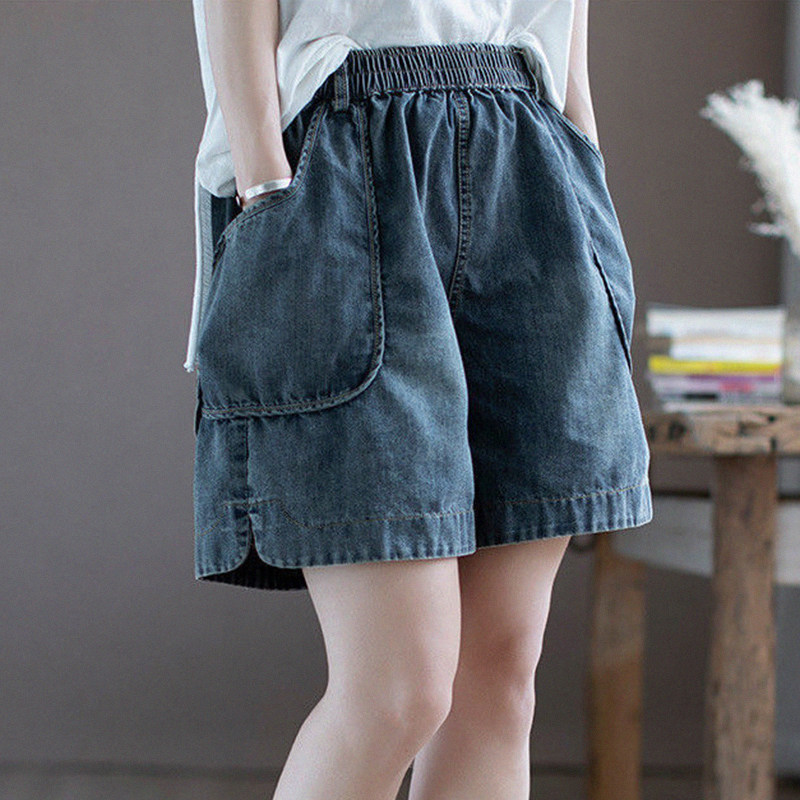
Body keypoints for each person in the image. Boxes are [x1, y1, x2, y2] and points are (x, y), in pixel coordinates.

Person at [187, 1, 654, 797]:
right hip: (344, 148)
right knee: (397, 691)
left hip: (531, 154)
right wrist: (264, 174)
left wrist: (581, 149)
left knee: (499, 679)